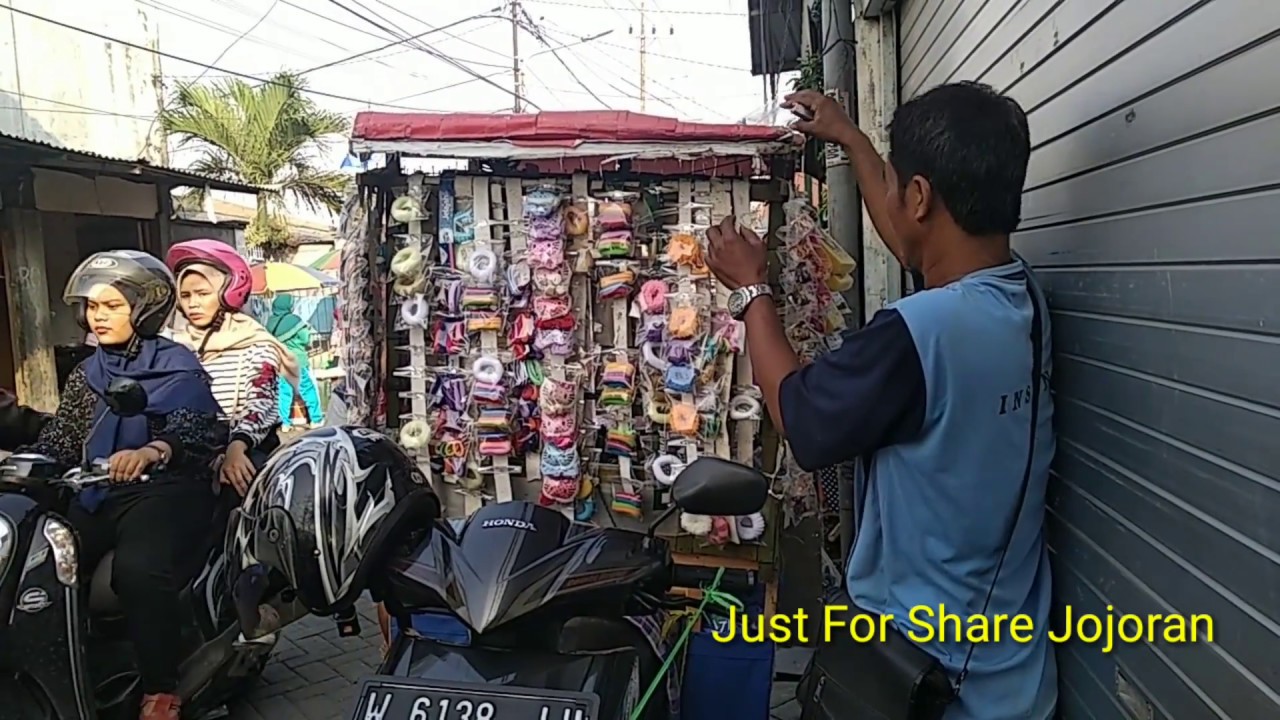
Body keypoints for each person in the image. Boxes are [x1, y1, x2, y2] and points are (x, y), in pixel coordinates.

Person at [703, 84, 1056, 719]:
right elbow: (913, 243)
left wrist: (752, 291)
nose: (890, 200)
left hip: (930, 686)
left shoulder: (918, 335)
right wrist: (854, 140)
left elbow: (801, 419)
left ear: (918, 196)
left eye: (895, 184)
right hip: (1016, 678)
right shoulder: (1018, 299)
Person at [18, 250, 224, 720]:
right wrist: (31, 463)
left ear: (144, 309)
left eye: (112, 306)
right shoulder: (88, 372)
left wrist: (151, 451)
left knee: (136, 570)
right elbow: (63, 438)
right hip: (95, 489)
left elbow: (195, 428)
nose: (100, 316)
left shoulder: (177, 365)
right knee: (41, 559)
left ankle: (161, 687)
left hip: (163, 491)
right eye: (93, 307)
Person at [165, 240, 301, 494]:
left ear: (228, 292)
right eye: (185, 296)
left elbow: (260, 403)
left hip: (245, 445)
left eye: (203, 293)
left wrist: (237, 447)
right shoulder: (173, 347)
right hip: (187, 452)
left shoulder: (256, 344)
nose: (193, 303)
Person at [266, 294, 324, 428]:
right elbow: (305, 339)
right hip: (298, 361)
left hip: (281, 361)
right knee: (307, 389)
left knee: (284, 392)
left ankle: (285, 423)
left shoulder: (270, 323)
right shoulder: (295, 320)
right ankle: (316, 419)